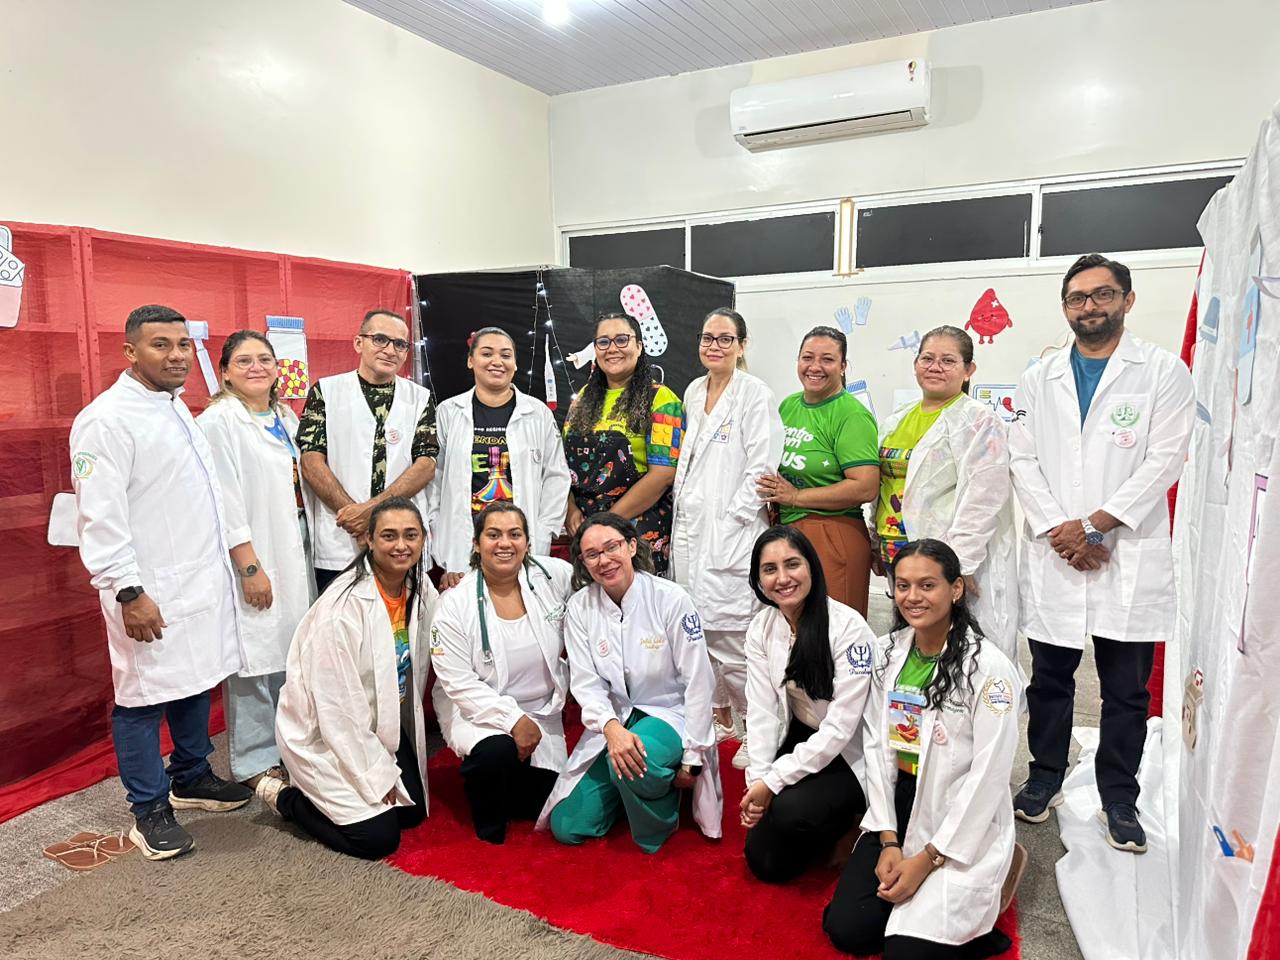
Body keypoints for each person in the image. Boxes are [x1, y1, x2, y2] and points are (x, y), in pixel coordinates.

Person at [1009, 253, 1194, 853]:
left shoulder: (1162, 371)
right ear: (1065, 307)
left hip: (1124, 549)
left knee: (1126, 691)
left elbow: (1165, 459)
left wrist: (1094, 526)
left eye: (1102, 294)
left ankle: (1119, 796)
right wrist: (1061, 530)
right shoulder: (1039, 377)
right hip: (1057, 552)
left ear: (1127, 300)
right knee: (1050, 679)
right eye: (1077, 297)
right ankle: (1044, 776)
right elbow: (1022, 459)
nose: (1089, 306)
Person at [69, 304, 251, 860]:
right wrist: (127, 590)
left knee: (196, 680)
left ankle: (191, 776)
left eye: (182, 345)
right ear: (130, 352)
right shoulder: (106, 420)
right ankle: (148, 809)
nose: (176, 356)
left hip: (196, 580)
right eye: (160, 345)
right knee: (143, 698)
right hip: (144, 588)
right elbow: (99, 518)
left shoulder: (175, 407)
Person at [823, 539, 1020, 959]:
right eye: (903, 585)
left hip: (960, 810)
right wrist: (889, 841)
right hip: (902, 799)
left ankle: (991, 881)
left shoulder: (990, 670)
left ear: (956, 589)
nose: (913, 597)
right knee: (848, 929)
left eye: (927, 585)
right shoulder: (887, 654)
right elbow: (877, 747)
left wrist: (928, 858)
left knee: (906, 953)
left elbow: (989, 774)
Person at [259, 497, 438, 860]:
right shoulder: (342, 609)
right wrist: (376, 775)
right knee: (377, 838)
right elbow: (336, 710)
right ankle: (287, 797)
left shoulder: (418, 589)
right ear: (368, 540)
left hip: (377, 724)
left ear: (423, 539)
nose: (401, 545)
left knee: (412, 813)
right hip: (326, 734)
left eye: (410, 535)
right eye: (388, 535)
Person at [537, 513, 721, 852]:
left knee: (630, 761)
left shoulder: (671, 598)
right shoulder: (579, 607)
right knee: (568, 826)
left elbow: (698, 680)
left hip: (669, 714)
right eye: (592, 554)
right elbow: (586, 683)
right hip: (616, 718)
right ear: (583, 562)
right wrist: (611, 728)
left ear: (632, 546)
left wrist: (693, 756)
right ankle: (634, 786)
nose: (604, 560)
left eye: (612, 547)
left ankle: (660, 815)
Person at [197, 330, 315, 787]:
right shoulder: (219, 421)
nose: (256, 367)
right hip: (254, 550)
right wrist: (248, 566)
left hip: (294, 542)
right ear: (225, 372)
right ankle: (251, 761)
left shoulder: (285, 416)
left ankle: (287, 746)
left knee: (289, 651)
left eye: (265, 359)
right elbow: (224, 499)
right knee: (255, 656)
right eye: (244, 361)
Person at [671, 308, 783, 768]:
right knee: (697, 636)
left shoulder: (755, 394)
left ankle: (758, 728)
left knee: (734, 642)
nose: (714, 346)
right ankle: (719, 718)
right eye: (707, 337)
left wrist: (731, 521)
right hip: (689, 532)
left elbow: (762, 466)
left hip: (731, 534)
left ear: (742, 345)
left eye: (724, 338)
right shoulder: (693, 391)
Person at [870, 325, 1019, 663]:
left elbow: (985, 496)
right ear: (915, 365)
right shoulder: (897, 420)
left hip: (945, 560)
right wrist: (875, 539)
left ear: (969, 370)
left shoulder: (979, 421)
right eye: (928, 359)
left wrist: (960, 563)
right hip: (898, 554)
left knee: (955, 654)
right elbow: (883, 485)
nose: (935, 367)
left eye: (948, 361)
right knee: (911, 649)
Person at [430, 502, 575, 844]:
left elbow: (593, 590)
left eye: (515, 534)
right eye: (493, 535)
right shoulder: (455, 603)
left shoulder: (552, 576)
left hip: (542, 710)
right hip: (478, 709)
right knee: (496, 753)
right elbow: (458, 683)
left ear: (527, 542)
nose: (505, 543)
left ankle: (513, 781)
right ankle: (489, 818)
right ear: (476, 543)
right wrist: (513, 720)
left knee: (558, 807)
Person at [740, 526, 875, 884]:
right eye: (770, 569)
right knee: (766, 863)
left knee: (791, 810)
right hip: (803, 731)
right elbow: (761, 711)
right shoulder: (762, 627)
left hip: (851, 747)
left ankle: (857, 820)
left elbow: (840, 729)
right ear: (758, 579)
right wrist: (758, 780)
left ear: (811, 567)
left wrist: (775, 782)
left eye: (792, 564)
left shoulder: (848, 628)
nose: (783, 578)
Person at [298, 308, 437, 592]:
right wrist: (356, 519)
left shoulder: (420, 398)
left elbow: (426, 465)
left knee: (402, 616)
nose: (390, 350)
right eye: (380, 339)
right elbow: (311, 461)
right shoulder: (326, 392)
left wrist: (373, 515)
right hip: (340, 538)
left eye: (400, 344)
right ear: (359, 342)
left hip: (400, 542)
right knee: (339, 616)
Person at [429, 327, 570, 589]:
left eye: (506, 355)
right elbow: (434, 479)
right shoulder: (448, 412)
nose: (497, 361)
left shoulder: (537, 413)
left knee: (519, 603)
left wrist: (542, 531)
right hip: (461, 542)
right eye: (487, 353)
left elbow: (556, 477)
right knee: (465, 607)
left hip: (520, 540)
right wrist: (440, 535)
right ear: (470, 360)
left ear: (515, 364)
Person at [758, 325, 879, 616]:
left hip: (832, 533)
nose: (815, 367)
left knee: (834, 629)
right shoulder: (788, 406)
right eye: (808, 357)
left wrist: (796, 496)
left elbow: (865, 486)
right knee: (795, 629)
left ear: (843, 366)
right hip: (789, 532)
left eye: (827, 359)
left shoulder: (851, 414)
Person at [563, 312, 684, 575]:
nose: (612, 348)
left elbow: (663, 475)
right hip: (584, 532)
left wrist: (606, 524)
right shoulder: (582, 399)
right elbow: (561, 464)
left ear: (639, 346)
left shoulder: (662, 400)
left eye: (621, 339)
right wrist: (570, 509)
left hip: (636, 531)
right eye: (603, 342)